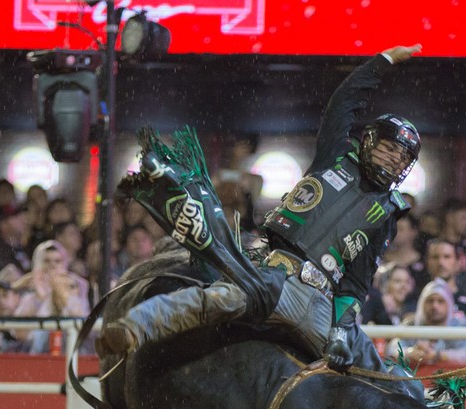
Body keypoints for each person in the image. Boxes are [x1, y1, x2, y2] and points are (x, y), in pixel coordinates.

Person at [102, 44, 424, 377]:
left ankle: (422, 403)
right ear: (369, 141)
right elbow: (344, 103)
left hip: (320, 305)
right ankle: (133, 328)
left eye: (402, 158)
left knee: (375, 373)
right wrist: (381, 62)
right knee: (216, 299)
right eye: (389, 149)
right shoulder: (336, 156)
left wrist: (341, 334)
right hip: (273, 276)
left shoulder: (387, 215)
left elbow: (356, 285)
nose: (393, 159)